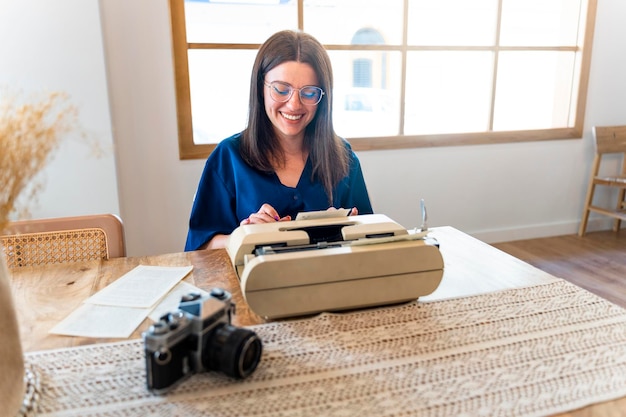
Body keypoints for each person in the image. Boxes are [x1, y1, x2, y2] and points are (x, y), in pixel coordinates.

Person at [185, 30, 373, 251]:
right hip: (250, 284)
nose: (294, 105)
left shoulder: (343, 158)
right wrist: (245, 235)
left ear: (323, 98)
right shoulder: (229, 157)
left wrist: (343, 229)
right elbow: (199, 247)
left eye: (309, 93)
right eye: (281, 89)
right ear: (260, 89)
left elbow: (370, 236)